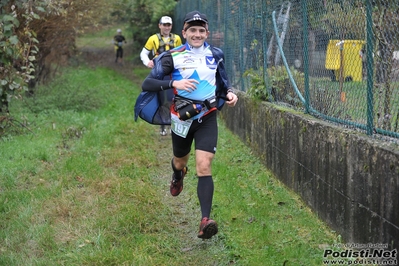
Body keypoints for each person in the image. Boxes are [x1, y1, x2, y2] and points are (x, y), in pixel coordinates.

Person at [141, 10, 238, 239]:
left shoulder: (216, 54)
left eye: (201, 30)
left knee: (204, 165)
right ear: (184, 32)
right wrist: (175, 82)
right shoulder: (172, 55)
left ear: (207, 33)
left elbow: (223, 84)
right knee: (179, 160)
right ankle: (177, 174)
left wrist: (231, 94)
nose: (197, 34)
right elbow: (148, 83)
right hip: (181, 119)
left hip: (207, 116)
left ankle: (205, 220)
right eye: (192, 30)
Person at [140, 16, 182, 136]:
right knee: (161, 98)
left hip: (174, 73)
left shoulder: (177, 38)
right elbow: (144, 53)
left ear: (171, 26)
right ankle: (163, 124)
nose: (166, 27)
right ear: (159, 25)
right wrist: (147, 62)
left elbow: (182, 52)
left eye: (168, 25)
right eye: (164, 25)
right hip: (160, 73)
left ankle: (173, 124)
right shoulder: (153, 39)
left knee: (173, 98)